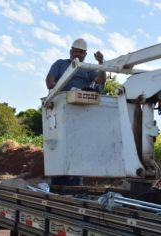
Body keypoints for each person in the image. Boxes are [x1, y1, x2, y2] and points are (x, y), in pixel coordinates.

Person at [45, 38, 106, 186]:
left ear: (85, 54)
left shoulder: (89, 69)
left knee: (78, 145)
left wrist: (101, 64)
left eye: (80, 52)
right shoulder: (60, 64)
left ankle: (75, 179)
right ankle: (58, 178)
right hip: (60, 108)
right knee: (60, 144)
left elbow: (100, 82)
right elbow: (49, 81)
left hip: (80, 110)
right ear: (70, 51)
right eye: (75, 51)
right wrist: (59, 90)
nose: (77, 54)